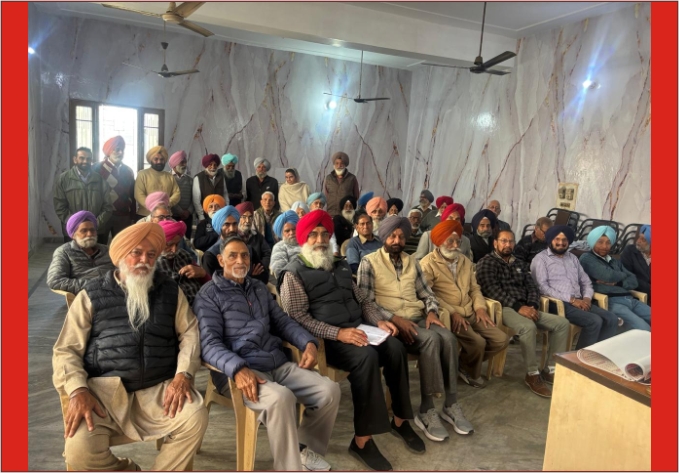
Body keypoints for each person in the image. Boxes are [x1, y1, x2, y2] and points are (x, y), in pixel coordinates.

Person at [52, 223, 208, 471]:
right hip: (104, 395)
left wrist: (183, 374)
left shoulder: (170, 290)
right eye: (136, 252)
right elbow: (66, 350)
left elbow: (190, 333)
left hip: (160, 391)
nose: (144, 260)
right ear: (121, 256)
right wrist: (77, 389)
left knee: (195, 415)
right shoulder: (91, 293)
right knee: (79, 451)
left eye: (151, 254)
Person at [278, 211, 425, 470]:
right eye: (314, 235)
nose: (320, 240)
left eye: (325, 234)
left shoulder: (340, 264)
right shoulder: (293, 273)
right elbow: (298, 318)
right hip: (328, 340)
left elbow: (363, 300)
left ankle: (400, 420)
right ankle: (362, 441)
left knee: (395, 346)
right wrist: (339, 333)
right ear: (303, 239)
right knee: (366, 357)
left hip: (360, 329)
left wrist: (379, 321)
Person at [194, 236, 340, 471]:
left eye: (245, 255)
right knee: (282, 398)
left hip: (276, 362)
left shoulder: (258, 288)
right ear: (221, 260)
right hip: (239, 371)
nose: (240, 260)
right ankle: (289, 467)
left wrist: (308, 343)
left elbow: (282, 321)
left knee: (329, 391)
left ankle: (303, 452)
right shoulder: (209, 295)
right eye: (233, 255)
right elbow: (209, 343)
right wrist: (237, 369)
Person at [358, 216, 474, 441]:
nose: (397, 240)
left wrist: (431, 312)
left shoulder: (412, 262)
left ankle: (451, 404)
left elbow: (427, 294)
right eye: (392, 236)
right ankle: (426, 409)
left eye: (401, 236)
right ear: (384, 237)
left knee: (449, 338)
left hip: (417, 317)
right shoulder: (369, 262)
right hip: (390, 323)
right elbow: (366, 302)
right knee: (431, 339)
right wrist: (395, 319)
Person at [476, 229, 570, 398]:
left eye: (511, 241)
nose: (508, 244)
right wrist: (519, 307)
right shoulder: (487, 262)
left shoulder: (519, 263)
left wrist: (532, 305)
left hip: (526, 307)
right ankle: (532, 374)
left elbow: (532, 287)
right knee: (528, 327)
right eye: (503, 241)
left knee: (562, 324)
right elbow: (491, 290)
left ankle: (550, 369)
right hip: (504, 308)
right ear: (495, 243)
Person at [420, 220, 509, 389]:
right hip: (448, 315)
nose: (455, 246)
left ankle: (461, 364)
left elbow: (474, 289)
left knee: (501, 339)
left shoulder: (465, 261)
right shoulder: (427, 264)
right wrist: (452, 312)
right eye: (450, 241)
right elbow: (429, 295)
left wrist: (480, 308)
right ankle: (470, 371)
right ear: (439, 242)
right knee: (478, 343)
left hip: (471, 311)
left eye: (458, 241)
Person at [530, 225, 618, 348]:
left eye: (564, 240)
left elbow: (585, 281)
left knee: (611, 318)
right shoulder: (541, 259)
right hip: (557, 303)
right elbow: (542, 287)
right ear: (550, 240)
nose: (561, 243)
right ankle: (579, 357)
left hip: (580, 301)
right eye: (557, 239)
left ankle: (599, 353)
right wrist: (572, 300)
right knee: (594, 321)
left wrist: (587, 298)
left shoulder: (572, 258)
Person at [579, 226, 651, 331]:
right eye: (600, 242)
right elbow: (608, 275)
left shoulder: (613, 261)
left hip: (630, 299)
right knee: (645, 329)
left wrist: (617, 282)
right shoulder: (587, 258)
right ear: (593, 242)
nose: (604, 246)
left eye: (608, 243)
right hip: (612, 302)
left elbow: (633, 281)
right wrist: (623, 275)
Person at [53, 147, 113, 244]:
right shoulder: (63, 179)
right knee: (74, 254)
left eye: (88, 159)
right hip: (73, 231)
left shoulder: (100, 180)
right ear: (75, 159)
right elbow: (60, 207)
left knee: (97, 254)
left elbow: (108, 207)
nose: (85, 161)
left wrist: (95, 224)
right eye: (82, 158)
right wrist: (75, 224)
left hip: (96, 231)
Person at [47, 211, 115, 294]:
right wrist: (95, 286)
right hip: (86, 295)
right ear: (73, 235)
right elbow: (55, 281)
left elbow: (122, 271)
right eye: (84, 231)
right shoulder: (64, 252)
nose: (89, 234)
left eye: (92, 230)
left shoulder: (107, 250)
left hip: (115, 293)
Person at [157, 220, 210, 305]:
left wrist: (202, 273)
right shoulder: (152, 264)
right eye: (169, 245)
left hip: (202, 302)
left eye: (177, 244)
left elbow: (208, 282)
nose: (174, 250)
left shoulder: (183, 255)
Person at [93, 136, 136, 239]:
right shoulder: (96, 168)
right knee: (100, 245)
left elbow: (132, 194)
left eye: (122, 150)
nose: (120, 152)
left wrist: (133, 215)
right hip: (102, 215)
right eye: (117, 149)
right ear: (108, 151)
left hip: (123, 216)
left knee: (121, 246)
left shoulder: (128, 171)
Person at [134, 146, 180, 220]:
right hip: (145, 216)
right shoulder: (142, 174)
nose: (159, 162)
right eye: (156, 159)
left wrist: (167, 203)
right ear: (150, 160)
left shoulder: (169, 176)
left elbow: (177, 193)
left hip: (166, 216)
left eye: (162, 159)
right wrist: (153, 207)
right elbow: (139, 195)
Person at [192, 153, 229, 222]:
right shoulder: (198, 178)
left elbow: (225, 194)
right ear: (206, 166)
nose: (213, 167)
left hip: (219, 213)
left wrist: (226, 210)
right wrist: (201, 215)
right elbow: (196, 199)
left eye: (215, 165)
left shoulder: (221, 177)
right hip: (204, 215)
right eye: (210, 165)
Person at [621, 225, 651, 306]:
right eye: (639, 237)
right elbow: (627, 276)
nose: (638, 241)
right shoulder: (630, 251)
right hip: (637, 294)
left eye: (643, 240)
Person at [323, 151, 360, 216]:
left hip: (346, 213)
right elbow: (326, 195)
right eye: (337, 163)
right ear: (334, 165)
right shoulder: (328, 178)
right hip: (331, 213)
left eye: (341, 163)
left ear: (345, 165)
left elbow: (356, 196)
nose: (339, 166)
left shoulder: (352, 178)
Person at [270, 211, 302, 279]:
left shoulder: (306, 242)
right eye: (287, 231)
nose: (291, 233)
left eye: (294, 229)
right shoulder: (279, 247)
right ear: (282, 233)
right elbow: (280, 272)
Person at [169, 150, 194, 238]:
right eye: (182, 162)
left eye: (185, 162)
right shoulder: (167, 177)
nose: (184, 165)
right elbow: (168, 197)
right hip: (172, 216)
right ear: (175, 163)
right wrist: (180, 211)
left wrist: (189, 211)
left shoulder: (190, 179)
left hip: (187, 217)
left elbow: (194, 198)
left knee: (186, 240)